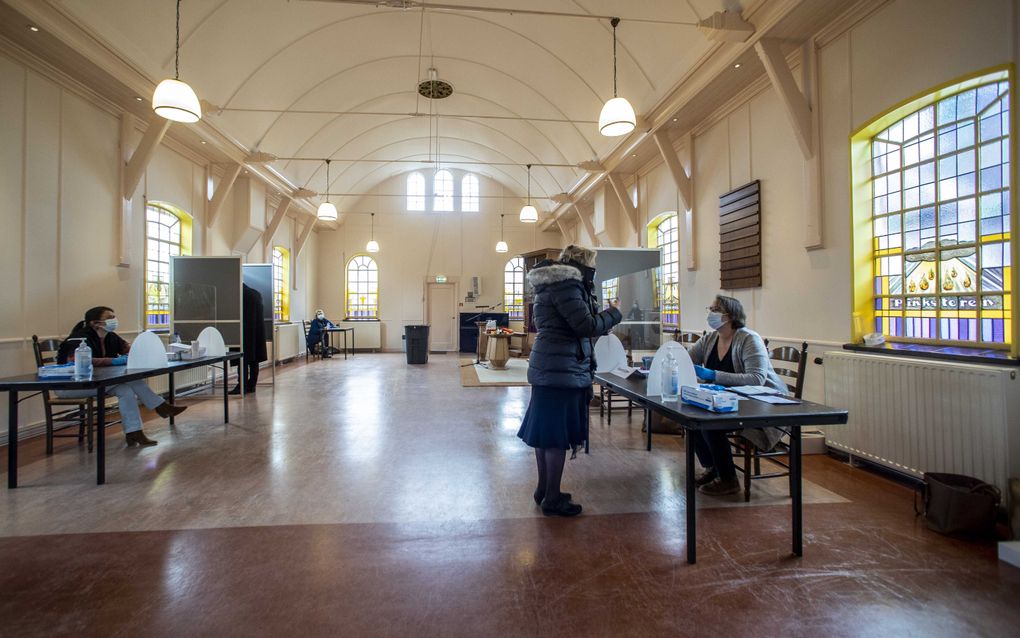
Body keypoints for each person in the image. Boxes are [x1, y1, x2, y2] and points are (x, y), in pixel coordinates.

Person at [517, 245, 622, 516]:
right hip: (560, 369)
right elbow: (585, 326)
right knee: (554, 437)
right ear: (583, 264)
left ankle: (544, 490)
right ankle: (552, 497)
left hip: (551, 366)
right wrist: (613, 313)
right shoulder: (567, 285)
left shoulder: (553, 283)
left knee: (546, 435)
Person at [687, 295, 787, 496]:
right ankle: (713, 467)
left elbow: (757, 378)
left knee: (711, 423)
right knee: (692, 419)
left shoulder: (749, 339)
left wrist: (714, 375)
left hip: (759, 404)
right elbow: (687, 359)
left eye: (715, 309)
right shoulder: (710, 339)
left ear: (730, 315)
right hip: (728, 402)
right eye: (711, 307)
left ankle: (728, 479)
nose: (711, 312)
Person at [56, 306, 186, 447]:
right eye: (110, 317)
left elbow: (128, 348)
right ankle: (161, 406)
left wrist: (138, 350)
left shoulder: (110, 336)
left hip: (99, 381)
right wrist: (112, 361)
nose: (114, 320)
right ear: (95, 323)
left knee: (126, 390)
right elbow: (75, 361)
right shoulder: (79, 338)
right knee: (130, 379)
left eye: (114, 317)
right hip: (72, 385)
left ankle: (134, 433)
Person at [232, 284, 268, 394]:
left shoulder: (239, 294)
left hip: (243, 332)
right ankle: (251, 385)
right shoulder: (255, 294)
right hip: (256, 333)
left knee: (242, 360)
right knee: (254, 360)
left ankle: (241, 386)